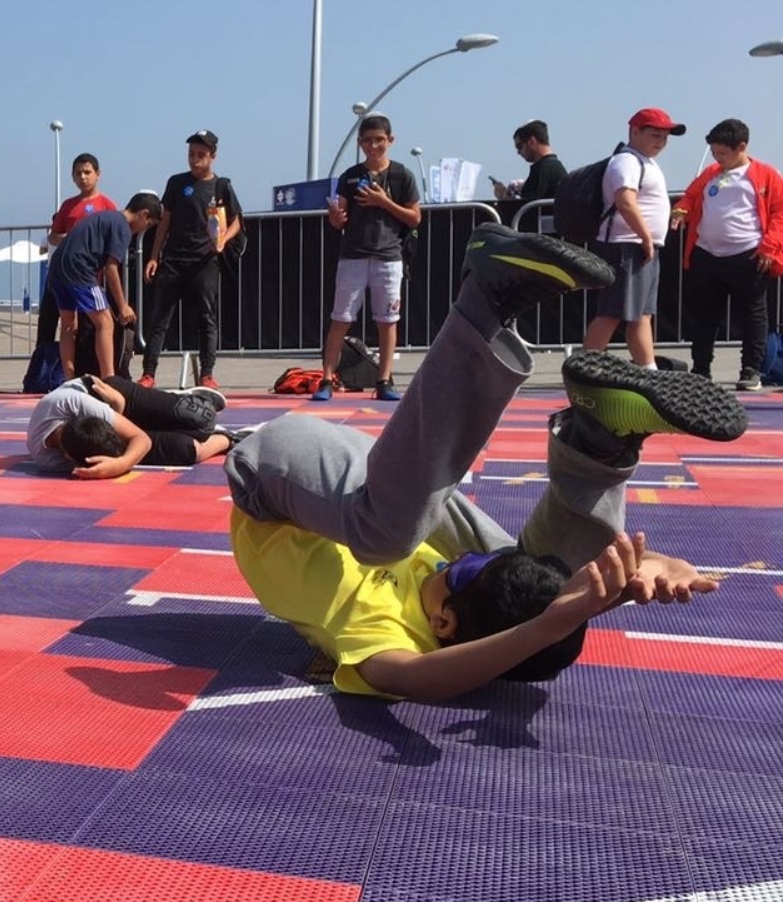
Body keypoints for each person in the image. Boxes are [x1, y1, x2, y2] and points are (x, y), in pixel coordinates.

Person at [227, 223, 746, 701]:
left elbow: (412, 680)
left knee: (388, 539)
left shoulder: (384, 631)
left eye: (460, 569)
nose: (456, 559)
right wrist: (647, 572)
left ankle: (485, 303)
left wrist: (541, 629)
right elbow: (558, 598)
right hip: (371, 489)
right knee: (540, 575)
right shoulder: (462, 599)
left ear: (446, 625)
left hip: (272, 485)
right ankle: (599, 443)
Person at [670, 118, 783, 390]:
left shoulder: (767, 174)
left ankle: (750, 370)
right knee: (704, 315)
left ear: (741, 147)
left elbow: (780, 213)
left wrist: (769, 245)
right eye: (714, 153)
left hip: (748, 254)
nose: (718, 158)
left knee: (753, 314)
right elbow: (691, 196)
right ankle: (700, 369)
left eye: (723, 153)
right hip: (707, 254)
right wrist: (681, 210)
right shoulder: (711, 172)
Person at [316, 114, 421, 402]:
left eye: (379, 140)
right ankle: (326, 379)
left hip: (388, 256)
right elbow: (339, 219)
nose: (373, 146)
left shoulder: (402, 175)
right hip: (353, 255)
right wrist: (336, 217)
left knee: (387, 320)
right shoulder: (350, 176)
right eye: (367, 140)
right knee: (341, 318)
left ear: (390, 140)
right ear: (360, 143)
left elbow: (414, 217)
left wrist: (383, 202)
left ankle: (384, 379)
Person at [141, 130, 242, 391]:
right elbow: (165, 221)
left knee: (207, 318)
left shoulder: (222, 186)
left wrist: (223, 241)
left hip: (205, 261)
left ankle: (207, 373)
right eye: (191, 155)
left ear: (213, 156)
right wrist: (154, 256)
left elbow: (237, 221)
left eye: (201, 155)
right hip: (174, 260)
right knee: (159, 318)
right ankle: (148, 373)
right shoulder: (176, 183)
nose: (195, 160)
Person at [581, 108, 683, 368]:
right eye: (655, 135)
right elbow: (625, 202)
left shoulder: (645, 162)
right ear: (634, 132)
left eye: (664, 137)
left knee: (641, 314)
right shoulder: (626, 161)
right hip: (624, 247)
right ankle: (585, 369)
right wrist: (646, 236)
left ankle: (648, 371)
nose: (660, 142)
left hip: (639, 247)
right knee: (612, 313)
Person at [26, 375, 242, 480]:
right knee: (186, 449)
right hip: (108, 428)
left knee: (201, 420)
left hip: (111, 396)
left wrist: (122, 464)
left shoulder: (70, 403)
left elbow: (142, 439)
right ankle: (230, 438)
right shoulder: (48, 460)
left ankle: (177, 400)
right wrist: (116, 460)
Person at [46, 193, 161, 379]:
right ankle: (109, 377)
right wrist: (123, 305)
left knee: (68, 324)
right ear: (144, 214)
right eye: (148, 225)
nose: (143, 230)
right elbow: (111, 268)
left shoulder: (106, 217)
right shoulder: (122, 227)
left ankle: (69, 379)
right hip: (79, 269)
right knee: (105, 322)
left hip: (58, 268)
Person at [41, 153, 124, 369]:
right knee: (68, 325)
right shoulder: (68, 205)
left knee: (95, 325)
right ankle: (65, 375)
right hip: (67, 273)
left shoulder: (107, 205)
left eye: (87, 172)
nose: (83, 177)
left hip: (90, 277)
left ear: (98, 174)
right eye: (78, 173)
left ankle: (100, 371)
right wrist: (73, 239)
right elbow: (53, 235)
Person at [494, 119, 567, 202]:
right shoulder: (554, 166)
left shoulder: (542, 169)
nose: (518, 152)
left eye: (519, 146)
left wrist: (504, 197)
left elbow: (527, 209)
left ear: (532, 141)